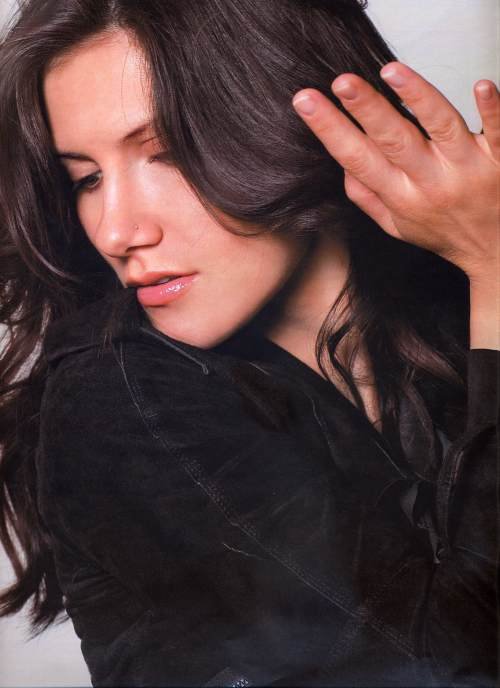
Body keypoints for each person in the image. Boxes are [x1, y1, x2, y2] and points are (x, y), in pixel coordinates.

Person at [0, 0, 498, 686]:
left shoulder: (450, 315)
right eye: (85, 178)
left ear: (293, 124)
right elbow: (453, 664)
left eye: (167, 153)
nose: (116, 231)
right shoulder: (119, 393)